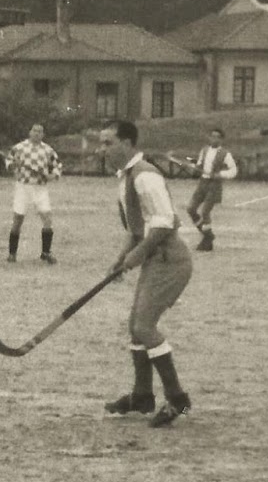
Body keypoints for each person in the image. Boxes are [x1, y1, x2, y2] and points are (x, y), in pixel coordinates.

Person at [99, 120, 194, 428]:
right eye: (102, 143)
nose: (103, 149)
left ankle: (177, 399)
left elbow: (164, 223)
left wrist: (135, 257)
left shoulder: (145, 176)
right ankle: (142, 396)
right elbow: (135, 230)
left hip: (170, 260)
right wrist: (120, 260)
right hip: (156, 259)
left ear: (127, 143)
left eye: (108, 142)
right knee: (135, 326)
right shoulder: (126, 177)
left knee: (144, 326)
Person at [167, 128, 238, 252]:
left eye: (217, 137)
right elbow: (198, 165)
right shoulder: (204, 150)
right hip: (203, 183)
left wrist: (220, 174)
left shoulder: (225, 154)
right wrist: (189, 164)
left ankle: (207, 239)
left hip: (214, 185)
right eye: (212, 136)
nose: (214, 139)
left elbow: (233, 170)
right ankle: (207, 235)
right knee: (191, 209)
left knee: (205, 212)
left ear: (221, 139)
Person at [3, 123, 63, 264]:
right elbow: (8, 162)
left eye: (40, 132)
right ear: (30, 132)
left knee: (47, 219)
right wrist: (14, 165)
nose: (37, 134)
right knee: (18, 220)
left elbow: (58, 166)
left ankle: (46, 253)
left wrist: (51, 175)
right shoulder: (19, 148)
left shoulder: (48, 150)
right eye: (34, 131)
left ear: (43, 135)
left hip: (40, 188)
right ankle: (12, 254)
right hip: (23, 187)